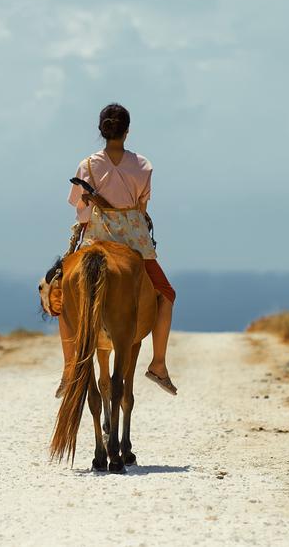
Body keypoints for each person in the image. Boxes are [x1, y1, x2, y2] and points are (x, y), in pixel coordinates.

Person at [57, 103, 178, 396]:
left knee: (62, 294)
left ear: (101, 130)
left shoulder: (86, 165)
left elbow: (80, 208)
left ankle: (69, 367)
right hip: (135, 242)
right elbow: (141, 207)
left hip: (96, 239)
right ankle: (159, 364)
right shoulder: (143, 165)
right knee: (166, 294)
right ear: (127, 131)